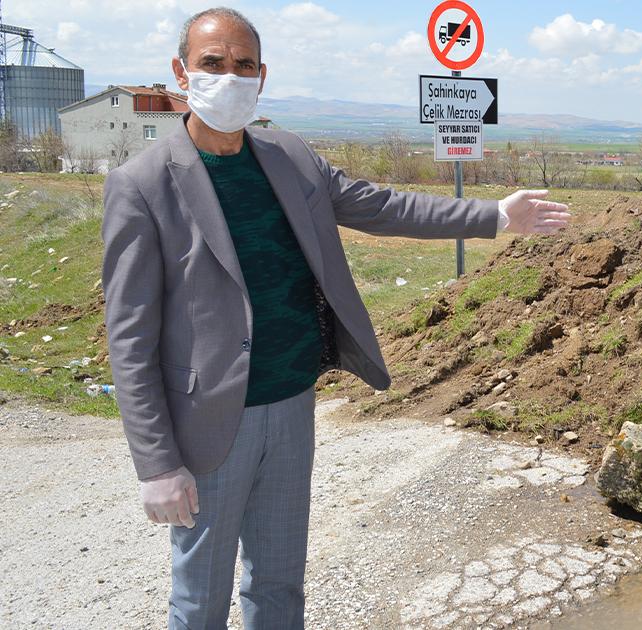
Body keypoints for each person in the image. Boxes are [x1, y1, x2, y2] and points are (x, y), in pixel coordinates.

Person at [100, 7, 570, 629]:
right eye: (213, 63)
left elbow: (382, 206)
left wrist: (492, 216)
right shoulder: (142, 183)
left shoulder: (289, 156)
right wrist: (156, 463)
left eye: (244, 65)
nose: (229, 77)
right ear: (181, 71)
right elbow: (129, 339)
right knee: (199, 598)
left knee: (278, 584)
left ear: (262, 76)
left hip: (292, 405)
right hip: (207, 426)